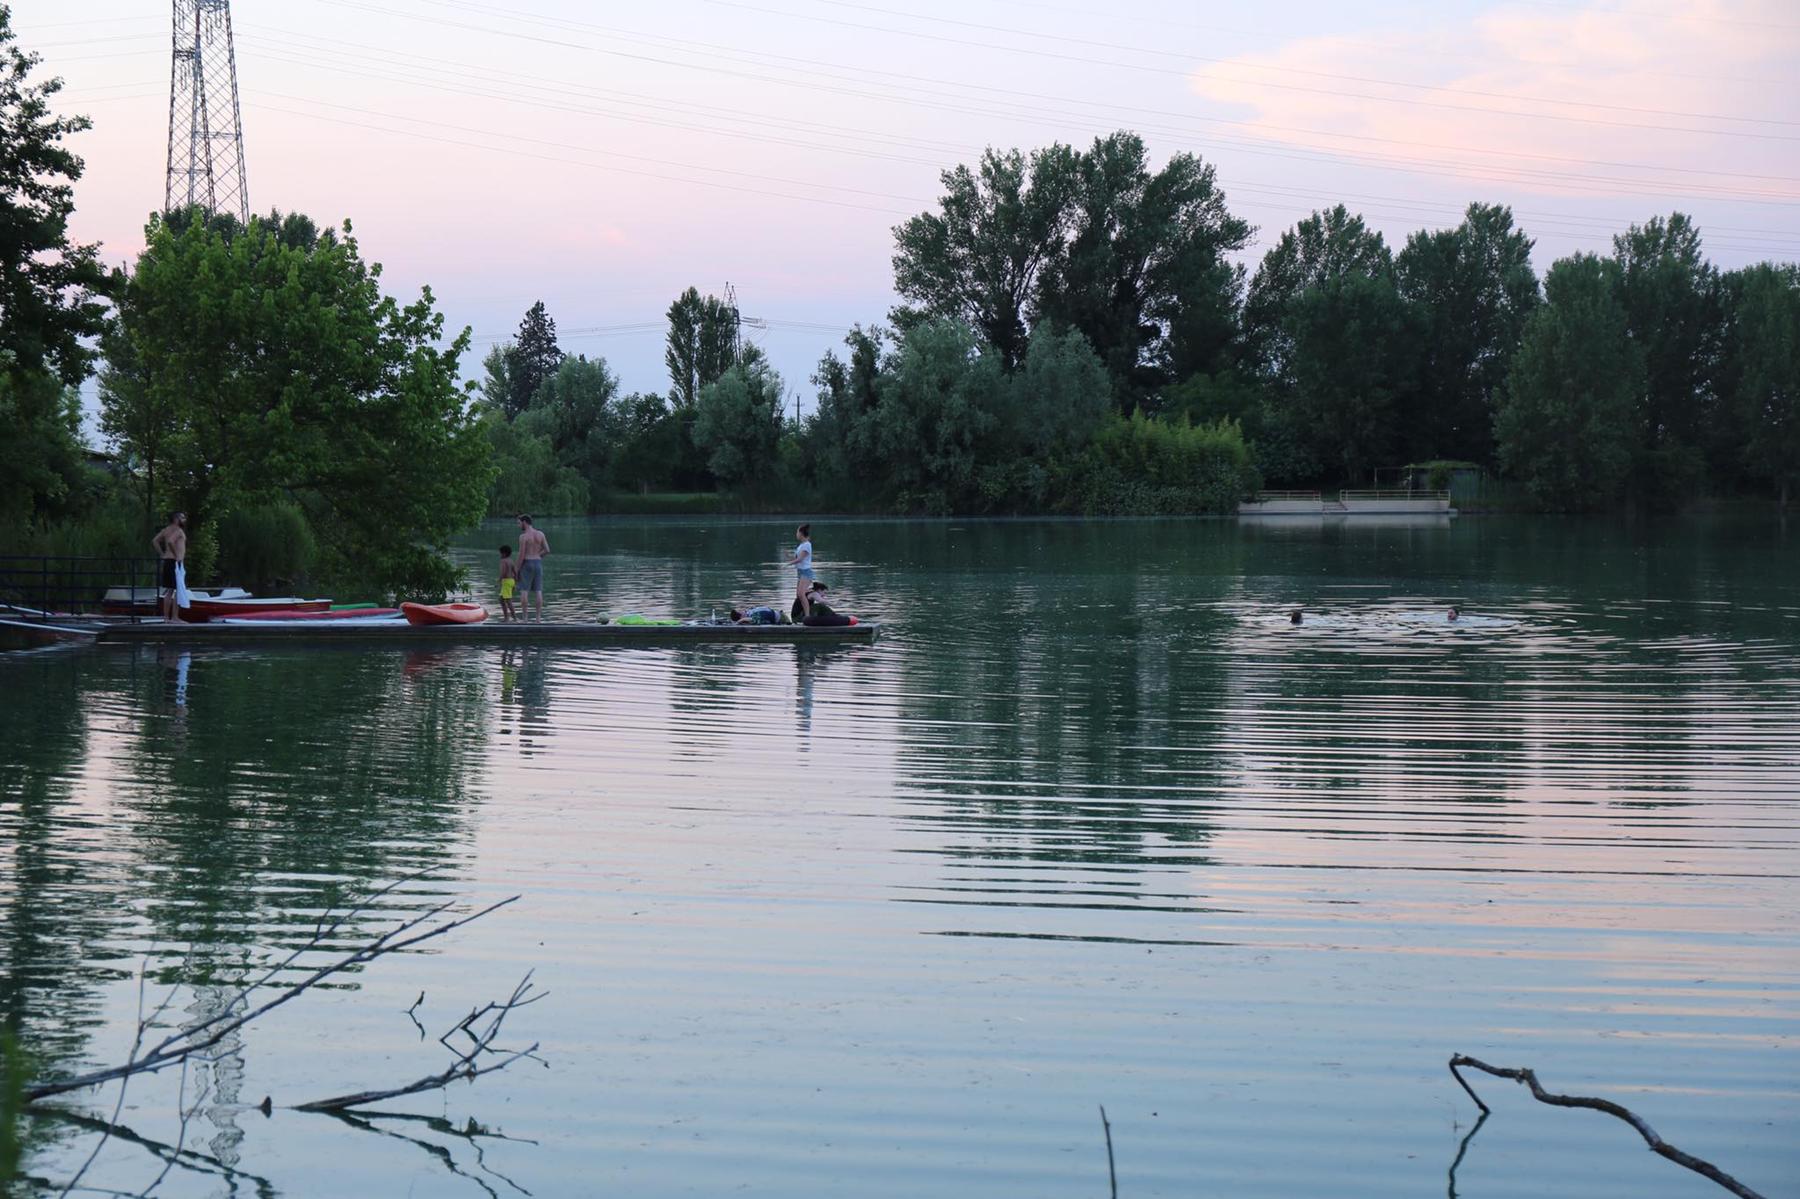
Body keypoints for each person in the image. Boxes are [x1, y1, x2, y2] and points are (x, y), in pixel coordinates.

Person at [151, 511, 187, 621]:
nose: (184, 519)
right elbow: (171, 541)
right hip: (175, 562)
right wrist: (176, 555)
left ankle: (166, 617)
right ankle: (175, 617)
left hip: (167, 561)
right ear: (176, 519)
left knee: (170, 590)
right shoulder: (178, 530)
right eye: (182, 517)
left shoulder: (166, 530)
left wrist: (162, 554)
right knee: (178, 590)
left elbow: (155, 541)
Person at [516, 514, 549, 620]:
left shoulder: (523, 537)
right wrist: (538, 556)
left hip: (527, 563)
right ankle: (538, 619)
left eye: (519, 523)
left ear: (524, 522)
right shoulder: (540, 534)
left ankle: (525, 618)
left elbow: (521, 555)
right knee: (538, 591)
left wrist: (516, 569)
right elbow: (547, 550)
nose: (518, 525)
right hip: (538, 563)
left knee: (524, 590)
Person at [786, 523, 814, 619]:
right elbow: (796, 558)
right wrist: (788, 556)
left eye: (797, 532)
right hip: (800, 572)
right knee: (799, 595)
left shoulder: (807, 545)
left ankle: (807, 616)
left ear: (801, 533)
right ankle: (801, 614)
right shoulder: (801, 545)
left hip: (806, 572)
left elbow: (800, 559)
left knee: (801, 594)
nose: (796, 534)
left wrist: (788, 564)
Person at [498, 545, 520, 621]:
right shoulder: (511, 560)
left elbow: (503, 572)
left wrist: (499, 579)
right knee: (502, 600)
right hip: (511, 581)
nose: (500, 555)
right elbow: (515, 571)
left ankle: (513, 618)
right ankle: (507, 617)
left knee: (508, 601)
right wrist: (515, 581)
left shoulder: (503, 561)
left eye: (501, 553)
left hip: (506, 581)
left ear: (504, 553)